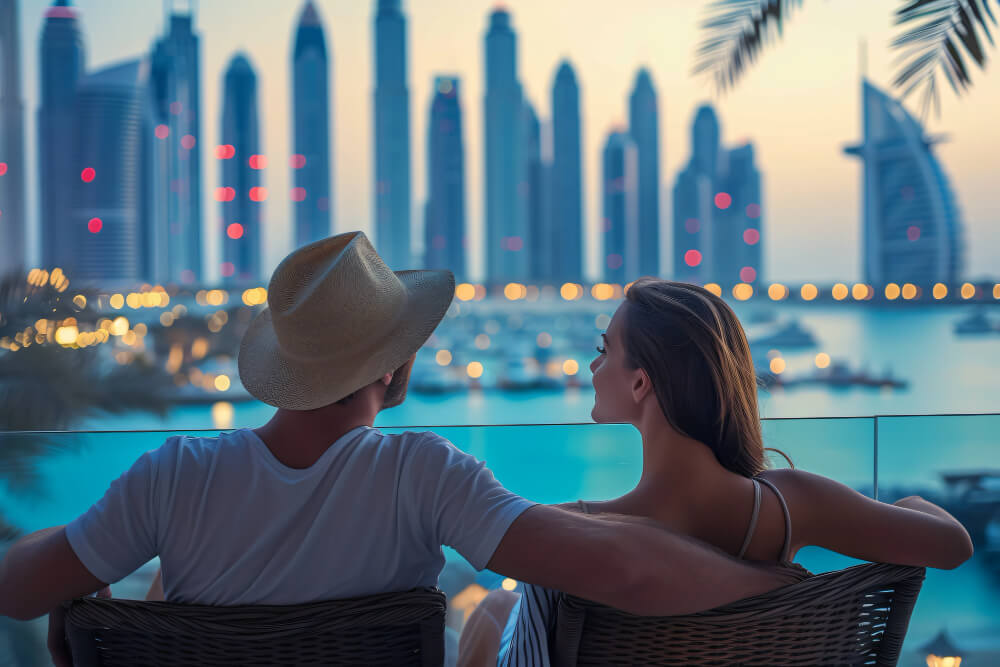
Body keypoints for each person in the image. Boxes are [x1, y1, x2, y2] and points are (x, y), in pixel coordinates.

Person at [0, 234, 800, 666]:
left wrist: (84, 569)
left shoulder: (172, 475)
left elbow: (17, 588)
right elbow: (624, 570)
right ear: (396, 362)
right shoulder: (422, 473)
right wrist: (775, 584)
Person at [459, 278, 974, 667]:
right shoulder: (788, 507)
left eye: (604, 350)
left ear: (641, 384)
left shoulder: (591, 530)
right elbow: (952, 546)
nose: (593, 367)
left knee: (490, 613)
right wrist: (908, 506)